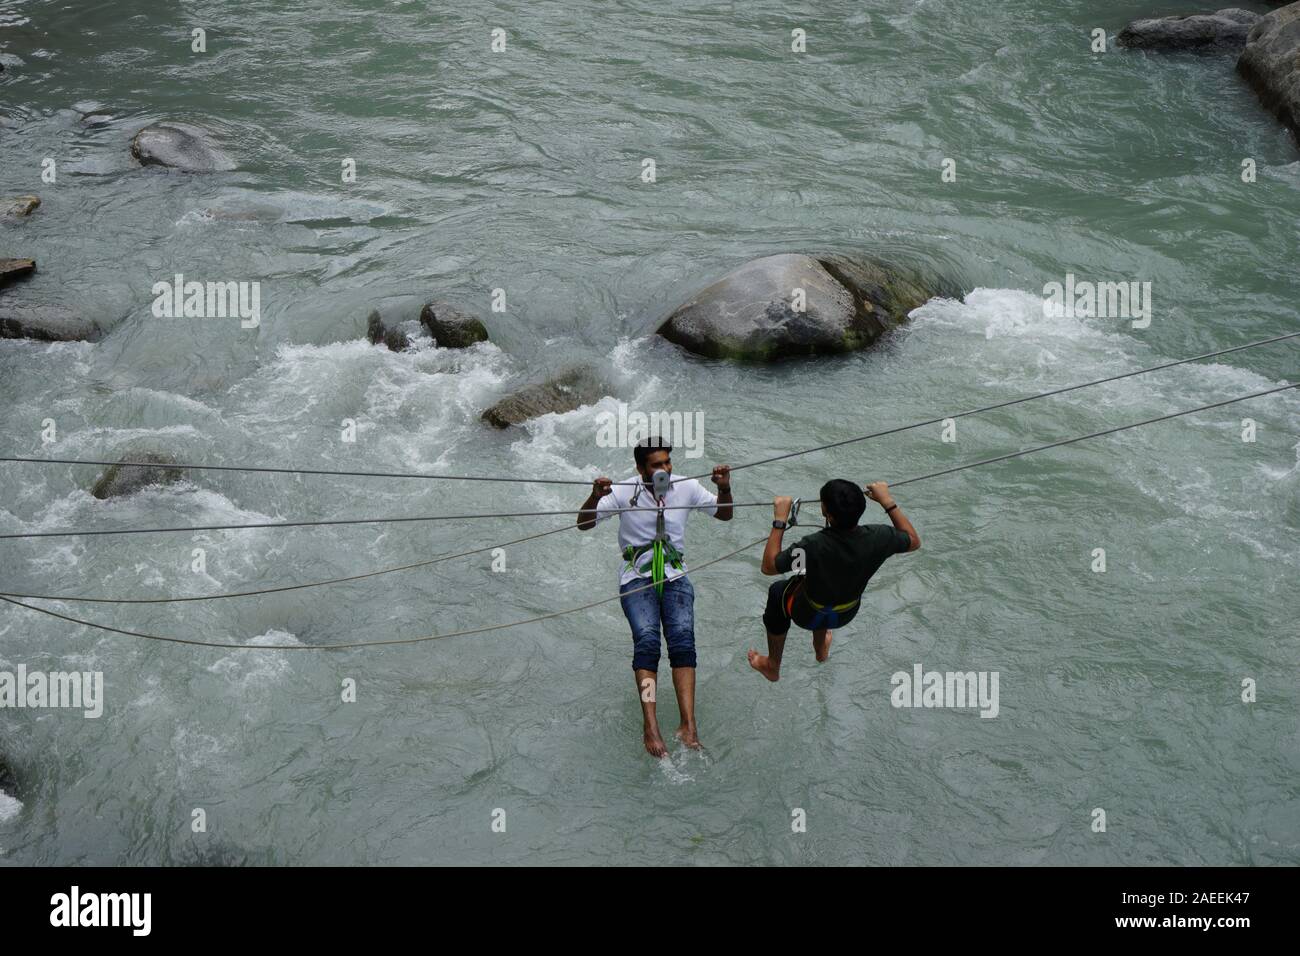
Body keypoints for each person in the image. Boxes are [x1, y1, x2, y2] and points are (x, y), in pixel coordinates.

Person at [577, 437, 732, 757]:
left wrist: (725, 487)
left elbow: (724, 514)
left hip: (676, 575)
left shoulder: (686, 486)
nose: (664, 469)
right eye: (656, 465)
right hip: (636, 578)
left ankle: (688, 725)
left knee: (683, 643)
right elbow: (584, 524)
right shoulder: (623, 490)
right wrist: (594, 496)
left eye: (667, 463)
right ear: (640, 469)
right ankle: (651, 726)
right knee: (647, 641)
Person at [748, 479, 919, 681]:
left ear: (827, 514)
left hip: (807, 614)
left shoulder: (813, 546)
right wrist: (887, 501)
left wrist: (780, 520)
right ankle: (820, 650)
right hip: (846, 613)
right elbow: (913, 541)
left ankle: (772, 665)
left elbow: (769, 567)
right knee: (825, 583)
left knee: (778, 591)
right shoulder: (879, 537)